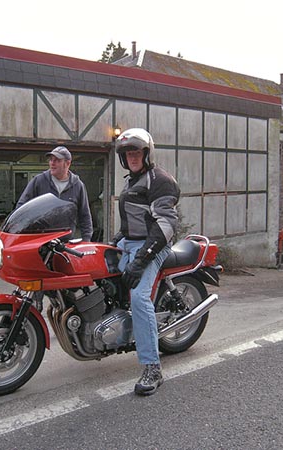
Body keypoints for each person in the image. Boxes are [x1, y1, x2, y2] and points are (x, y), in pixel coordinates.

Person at [111, 128, 181, 396]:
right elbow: (132, 220)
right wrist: (115, 240)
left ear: (147, 153)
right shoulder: (131, 181)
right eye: (128, 153)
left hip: (153, 245)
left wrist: (141, 260)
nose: (132, 157)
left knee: (139, 297)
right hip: (130, 241)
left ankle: (153, 367)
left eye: (136, 152)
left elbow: (165, 226)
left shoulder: (160, 180)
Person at [16, 146, 93, 242]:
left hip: (65, 244)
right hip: (41, 241)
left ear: (67, 163)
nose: (52, 163)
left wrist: (86, 240)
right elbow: (21, 208)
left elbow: (85, 216)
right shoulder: (39, 181)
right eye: (51, 160)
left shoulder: (78, 186)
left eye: (57, 160)